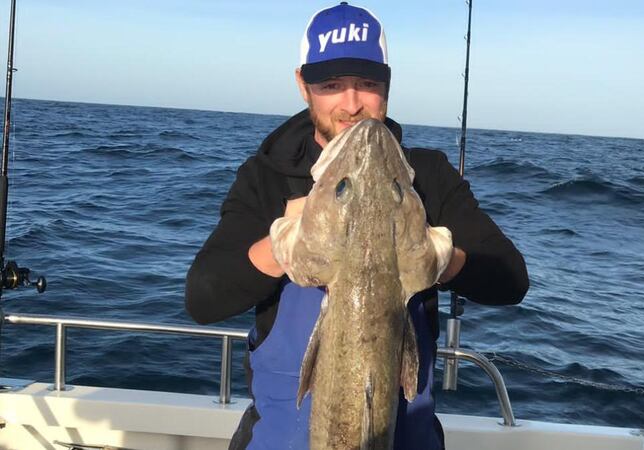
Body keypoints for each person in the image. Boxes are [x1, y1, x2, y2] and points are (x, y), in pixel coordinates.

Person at [185, 3, 528, 449]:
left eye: (368, 84)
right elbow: (202, 298)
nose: (352, 104)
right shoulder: (265, 179)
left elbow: (511, 279)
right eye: (331, 85)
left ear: (388, 85)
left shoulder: (429, 175)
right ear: (303, 86)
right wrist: (285, 245)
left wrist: (439, 259)